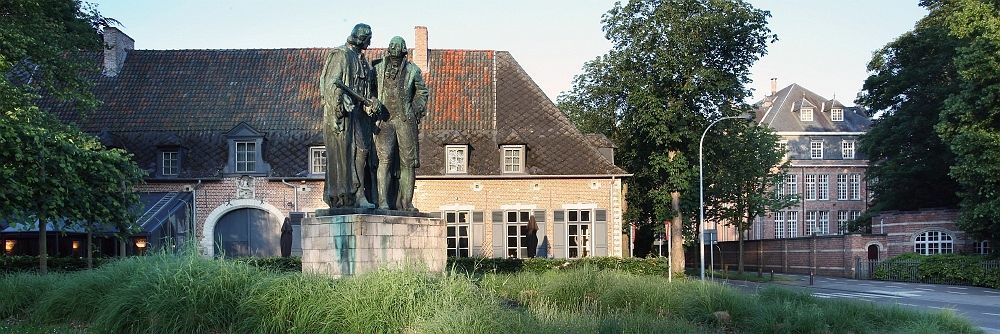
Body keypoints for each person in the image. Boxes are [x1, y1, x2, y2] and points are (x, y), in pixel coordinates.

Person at [319, 23, 379, 209]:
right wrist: (341, 100)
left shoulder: (362, 61)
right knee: (351, 153)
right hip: (345, 116)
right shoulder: (341, 55)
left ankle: (360, 194)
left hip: (360, 115)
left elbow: (366, 90)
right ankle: (354, 195)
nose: (370, 42)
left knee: (363, 152)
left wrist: (372, 103)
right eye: (369, 39)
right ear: (362, 38)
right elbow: (331, 85)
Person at [371, 36, 429, 211]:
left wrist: (415, 108)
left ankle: (406, 202)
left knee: (408, 162)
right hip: (384, 120)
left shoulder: (413, 70)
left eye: (398, 46)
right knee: (384, 160)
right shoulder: (377, 68)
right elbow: (370, 90)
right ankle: (382, 202)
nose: (395, 49)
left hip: (405, 120)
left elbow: (422, 92)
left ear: (404, 50)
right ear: (388, 49)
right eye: (392, 46)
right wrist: (373, 101)